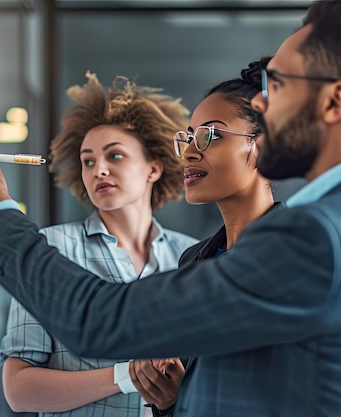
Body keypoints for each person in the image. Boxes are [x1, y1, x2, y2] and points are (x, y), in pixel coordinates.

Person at [0, 1, 341, 415]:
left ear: (337, 100)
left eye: (278, 86)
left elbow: (100, 319)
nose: (260, 101)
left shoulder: (317, 235)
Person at [0, 73, 198, 417]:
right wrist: (126, 375)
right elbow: (19, 390)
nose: (98, 170)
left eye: (114, 156)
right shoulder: (50, 249)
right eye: (88, 161)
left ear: (154, 168)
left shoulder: (193, 257)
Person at [129, 56, 282, 415]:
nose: (189, 152)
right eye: (187, 137)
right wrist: (168, 399)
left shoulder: (296, 260)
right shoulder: (193, 261)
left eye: (209, 135)